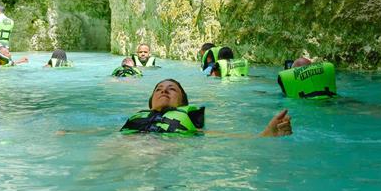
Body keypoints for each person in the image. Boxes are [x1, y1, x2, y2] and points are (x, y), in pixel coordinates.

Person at [120, 79, 292, 136]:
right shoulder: (136, 118)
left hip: (159, 154)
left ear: (183, 104)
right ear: (151, 102)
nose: (164, 90)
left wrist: (267, 134)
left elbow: (228, 138)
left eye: (171, 89)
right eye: (158, 89)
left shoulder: (192, 125)